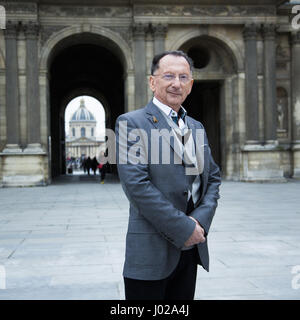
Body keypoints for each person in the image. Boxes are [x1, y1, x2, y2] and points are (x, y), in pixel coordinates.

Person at [115, 50, 221, 300]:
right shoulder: (131, 123)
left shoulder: (196, 126)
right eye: (169, 76)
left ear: (191, 85)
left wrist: (199, 222)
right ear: (153, 82)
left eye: (184, 77)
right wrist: (184, 227)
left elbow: (212, 179)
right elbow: (137, 187)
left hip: (191, 248)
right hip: (151, 252)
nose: (176, 83)